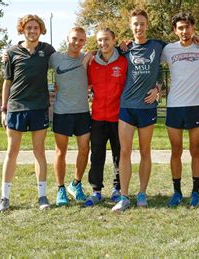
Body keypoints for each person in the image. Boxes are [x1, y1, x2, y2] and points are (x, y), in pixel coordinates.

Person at [0, 14, 55, 214]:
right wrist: (4, 109)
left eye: (36, 28)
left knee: (39, 152)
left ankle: (42, 196)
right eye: (29, 28)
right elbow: (7, 82)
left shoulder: (47, 50)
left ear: (41, 30)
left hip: (39, 108)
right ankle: (4, 198)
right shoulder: (11, 52)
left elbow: (65, 60)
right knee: (12, 152)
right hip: (16, 107)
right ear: (22, 29)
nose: (32, 31)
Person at [160, 13, 199, 208]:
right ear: (175, 30)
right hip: (174, 106)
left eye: (187, 27)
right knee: (176, 150)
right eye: (180, 28)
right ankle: (176, 192)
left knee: (195, 150)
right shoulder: (168, 49)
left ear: (193, 28)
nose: (184, 31)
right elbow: (149, 61)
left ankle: (195, 192)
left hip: (195, 105)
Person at [112, 9, 165, 211]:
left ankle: (142, 193)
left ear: (147, 25)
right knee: (124, 152)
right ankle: (124, 196)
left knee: (145, 151)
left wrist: (159, 88)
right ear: (130, 26)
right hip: (127, 106)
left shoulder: (158, 46)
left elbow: (175, 56)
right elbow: (102, 51)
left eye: (142, 23)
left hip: (147, 107)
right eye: (135, 24)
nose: (139, 27)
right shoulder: (124, 49)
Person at [84, 28, 128, 207]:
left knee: (119, 155)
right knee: (97, 155)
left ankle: (117, 189)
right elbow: (84, 83)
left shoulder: (124, 61)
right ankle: (96, 191)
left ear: (114, 39)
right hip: (98, 117)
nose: (103, 43)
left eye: (107, 40)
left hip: (119, 117)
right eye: (100, 40)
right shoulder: (91, 63)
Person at [48, 27, 90, 206]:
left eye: (81, 40)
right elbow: (34, 62)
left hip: (82, 112)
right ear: (67, 38)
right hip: (62, 112)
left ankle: (76, 184)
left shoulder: (87, 58)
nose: (77, 43)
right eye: (74, 39)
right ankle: (60, 189)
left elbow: (107, 52)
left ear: (84, 42)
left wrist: (94, 51)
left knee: (84, 149)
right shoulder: (55, 58)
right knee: (61, 152)